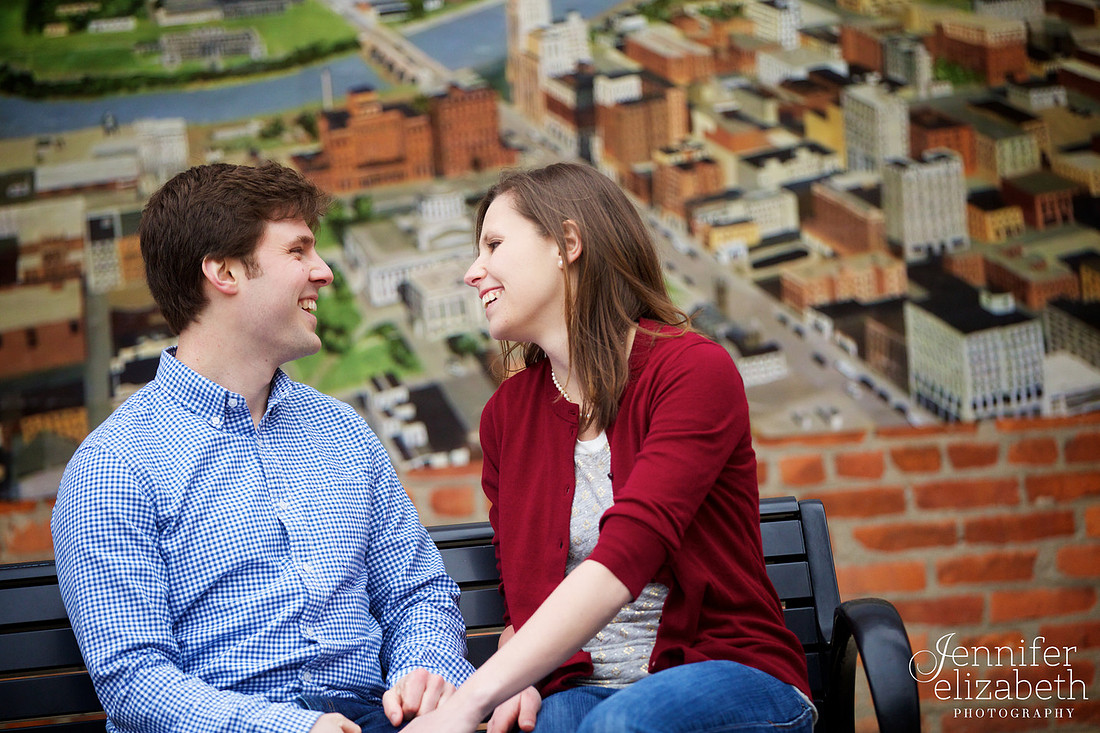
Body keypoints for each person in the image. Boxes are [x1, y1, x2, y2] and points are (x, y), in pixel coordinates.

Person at [51, 162, 473, 733]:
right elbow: (134, 680)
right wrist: (295, 729)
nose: (324, 272)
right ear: (224, 272)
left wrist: (425, 674)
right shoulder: (113, 467)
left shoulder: (343, 431)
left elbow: (417, 592)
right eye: (298, 251)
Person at [403, 162, 814, 733]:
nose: (474, 272)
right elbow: (523, 585)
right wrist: (518, 667)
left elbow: (628, 553)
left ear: (567, 243)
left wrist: (469, 702)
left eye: (494, 245)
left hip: (729, 671)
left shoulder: (693, 371)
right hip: (581, 683)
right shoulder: (506, 416)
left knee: (618, 726)